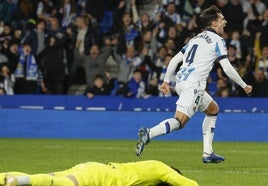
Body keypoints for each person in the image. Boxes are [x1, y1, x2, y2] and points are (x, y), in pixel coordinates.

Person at [135, 5, 253, 163]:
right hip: (194, 85)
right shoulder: (218, 40)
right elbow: (227, 68)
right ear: (214, 24)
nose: (225, 21)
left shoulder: (196, 38)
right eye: (222, 19)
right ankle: (149, 133)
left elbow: (175, 60)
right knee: (179, 121)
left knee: (213, 109)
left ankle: (208, 153)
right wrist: (244, 85)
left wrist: (166, 81)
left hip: (181, 82)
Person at [2, 160, 198, 186]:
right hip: (101, 176)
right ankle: (19, 181)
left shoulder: (149, 167)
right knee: (66, 185)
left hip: (94, 167)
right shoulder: (161, 168)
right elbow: (188, 184)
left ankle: (4, 177)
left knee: (52, 176)